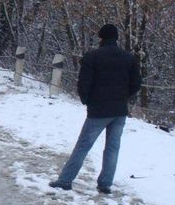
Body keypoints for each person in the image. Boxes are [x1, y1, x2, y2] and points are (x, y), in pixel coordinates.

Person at [49, 23, 142, 194]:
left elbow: (84, 83)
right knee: (113, 148)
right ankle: (105, 183)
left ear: (101, 38)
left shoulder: (92, 57)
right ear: (116, 38)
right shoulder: (128, 58)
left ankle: (65, 180)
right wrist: (123, 97)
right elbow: (136, 83)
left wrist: (87, 100)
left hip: (99, 110)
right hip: (119, 110)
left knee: (83, 146)